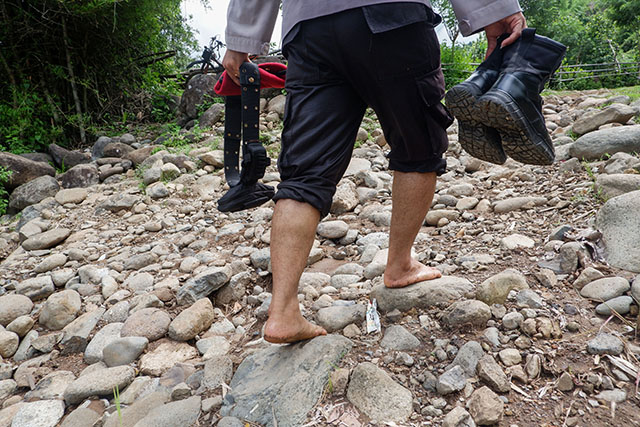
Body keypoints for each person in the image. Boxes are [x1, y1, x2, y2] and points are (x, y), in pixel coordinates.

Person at [222, 0, 526, 344]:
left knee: (303, 175)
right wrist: (493, 10)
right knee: (418, 147)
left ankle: (282, 312)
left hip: (310, 30)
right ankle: (399, 265)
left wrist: (240, 40)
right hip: (393, 16)